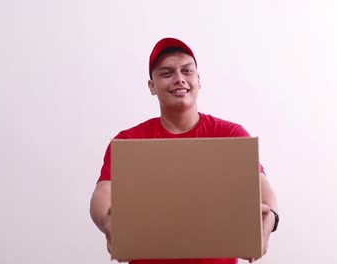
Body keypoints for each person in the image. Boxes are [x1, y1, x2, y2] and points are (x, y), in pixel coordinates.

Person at [90, 37, 279, 264]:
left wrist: (270, 221)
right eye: (167, 73)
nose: (179, 79)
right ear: (152, 86)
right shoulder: (129, 141)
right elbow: (103, 193)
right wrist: (109, 224)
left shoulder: (230, 135)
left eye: (187, 71)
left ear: (199, 80)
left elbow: (261, 186)